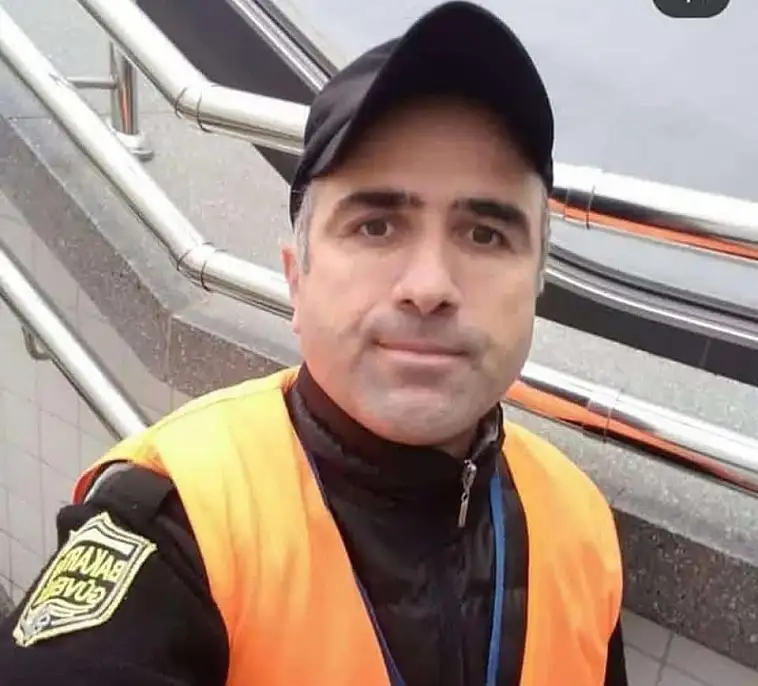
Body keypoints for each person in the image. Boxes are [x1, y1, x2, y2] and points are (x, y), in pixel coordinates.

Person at [0, 2, 629, 684]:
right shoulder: (178, 525)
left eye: (485, 234)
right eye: (376, 227)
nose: (429, 287)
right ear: (296, 279)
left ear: (535, 283)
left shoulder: (579, 524)